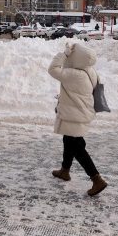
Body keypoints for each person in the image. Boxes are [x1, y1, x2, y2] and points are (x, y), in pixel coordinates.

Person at [48, 43, 108, 197]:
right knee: (69, 140)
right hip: (81, 113)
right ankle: (65, 170)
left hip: (74, 115)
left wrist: (64, 55)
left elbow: (53, 69)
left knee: (77, 147)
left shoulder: (74, 74)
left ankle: (97, 179)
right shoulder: (90, 71)